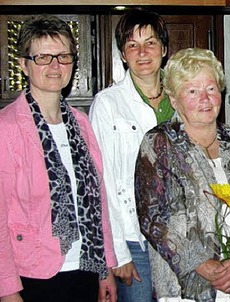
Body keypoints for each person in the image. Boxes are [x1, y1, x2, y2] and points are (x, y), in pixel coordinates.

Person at [135, 48, 230, 302]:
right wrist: (205, 265)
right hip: (184, 284)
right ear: (174, 99)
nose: (205, 99)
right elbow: (152, 219)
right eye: (192, 91)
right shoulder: (158, 143)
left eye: (211, 88)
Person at [0, 15, 117, 302]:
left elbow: (98, 200)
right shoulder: (7, 128)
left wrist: (106, 268)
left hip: (86, 266)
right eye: (42, 57)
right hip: (34, 274)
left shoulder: (81, 123)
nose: (55, 66)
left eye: (63, 56)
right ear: (23, 65)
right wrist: (7, 289)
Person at [89, 8, 171, 301]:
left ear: (164, 48)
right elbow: (104, 181)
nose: (142, 52)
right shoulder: (108, 103)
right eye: (132, 45)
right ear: (123, 54)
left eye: (150, 42)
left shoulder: (182, 96)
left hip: (177, 235)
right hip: (133, 238)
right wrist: (117, 253)